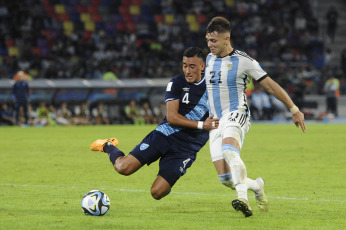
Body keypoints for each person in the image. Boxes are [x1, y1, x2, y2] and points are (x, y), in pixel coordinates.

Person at [205, 17, 306, 217]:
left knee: (229, 150)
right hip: (215, 121)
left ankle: (243, 199)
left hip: (237, 113)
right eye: (208, 40)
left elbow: (270, 85)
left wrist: (293, 108)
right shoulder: (208, 59)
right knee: (226, 179)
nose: (209, 45)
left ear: (227, 39)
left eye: (214, 41)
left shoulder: (244, 61)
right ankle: (257, 186)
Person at [90, 47, 219, 200]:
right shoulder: (177, 83)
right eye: (184, 65)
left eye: (192, 66)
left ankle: (169, 179)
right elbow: (172, 117)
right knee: (123, 168)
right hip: (165, 135)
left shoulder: (214, 87)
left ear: (202, 66)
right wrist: (201, 125)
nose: (187, 70)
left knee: (157, 193)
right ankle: (108, 145)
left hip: (187, 148)